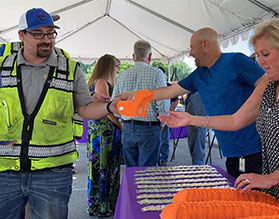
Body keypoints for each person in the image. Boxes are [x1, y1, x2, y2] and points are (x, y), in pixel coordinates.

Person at [158, 18, 279, 218]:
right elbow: (235, 120)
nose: (260, 61)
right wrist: (191, 119)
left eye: (265, 54)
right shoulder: (269, 84)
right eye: (258, 55)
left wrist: (269, 179)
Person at [0, 8, 120, 219]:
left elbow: (84, 108)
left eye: (50, 33)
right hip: (4, 171)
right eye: (38, 34)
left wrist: (110, 107)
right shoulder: (2, 66)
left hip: (53, 173)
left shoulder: (71, 69)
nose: (46, 39)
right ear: (21, 35)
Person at [115, 28, 266, 178]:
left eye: (192, 47)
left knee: (255, 198)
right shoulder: (200, 74)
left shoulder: (235, 61)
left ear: (204, 44)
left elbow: (267, 83)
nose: (190, 53)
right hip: (231, 150)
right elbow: (169, 91)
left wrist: (246, 113)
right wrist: (137, 95)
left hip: (252, 148)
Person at [111, 40, 170, 167]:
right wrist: (161, 124)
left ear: (133, 56)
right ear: (150, 56)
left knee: (131, 172)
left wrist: (123, 120)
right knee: (147, 175)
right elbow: (163, 103)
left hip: (128, 128)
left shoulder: (121, 76)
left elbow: (114, 104)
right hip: (149, 128)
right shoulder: (157, 73)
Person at [86, 54, 123, 217]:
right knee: (103, 167)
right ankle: (101, 205)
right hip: (103, 131)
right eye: (116, 66)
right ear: (109, 66)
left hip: (104, 130)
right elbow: (105, 109)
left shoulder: (102, 81)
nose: (118, 69)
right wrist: (120, 124)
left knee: (106, 167)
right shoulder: (102, 82)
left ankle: (103, 204)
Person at [158, 67, 179, 166]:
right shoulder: (154, 86)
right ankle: (157, 157)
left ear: (164, 75)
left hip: (166, 117)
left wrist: (169, 112)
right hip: (155, 117)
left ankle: (163, 158)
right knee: (156, 139)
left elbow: (175, 101)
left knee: (165, 139)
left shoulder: (168, 86)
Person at [185, 91, 207, 165]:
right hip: (193, 123)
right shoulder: (193, 92)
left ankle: (198, 168)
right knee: (195, 149)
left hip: (197, 124)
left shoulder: (198, 93)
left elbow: (199, 112)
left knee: (198, 152)